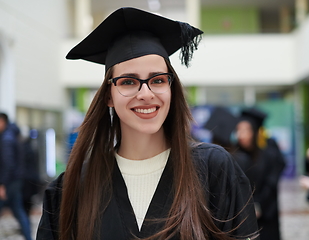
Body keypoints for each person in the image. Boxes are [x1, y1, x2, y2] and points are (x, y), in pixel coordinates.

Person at [36, 7, 259, 240]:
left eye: (158, 80)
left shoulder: (213, 169)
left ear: (171, 89)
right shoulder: (72, 187)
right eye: (128, 81)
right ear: (108, 96)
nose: (146, 93)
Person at [232, 107, 285, 240]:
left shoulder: (268, 155)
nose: (241, 135)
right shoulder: (236, 156)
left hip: (266, 214)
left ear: (255, 132)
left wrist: (259, 205)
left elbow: (271, 184)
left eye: (246, 130)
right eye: (238, 130)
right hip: (243, 217)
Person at [0, 112, 33, 240]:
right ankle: (28, 236)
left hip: (9, 182)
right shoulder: (12, 135)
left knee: (18, 210)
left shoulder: (6, 139)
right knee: (18, 210)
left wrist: (3, 184)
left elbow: (8, 164)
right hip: (16, 180)